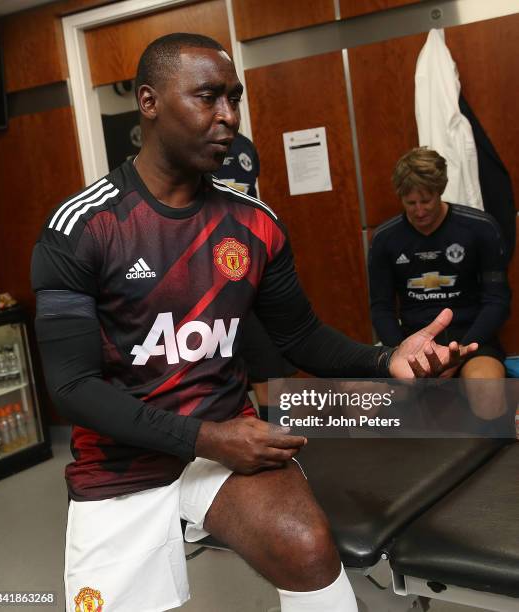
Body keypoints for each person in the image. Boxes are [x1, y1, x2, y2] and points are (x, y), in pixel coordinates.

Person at [31, 35, 476, 612]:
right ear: (148, 102)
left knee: (309, 550)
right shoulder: (84, 227)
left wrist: (383, 359)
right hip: (122, 463)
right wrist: (209, 439)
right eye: (209, 97)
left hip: (223, 442)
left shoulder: (254, 224)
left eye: (235, 99)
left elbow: (299, 335)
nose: (230, 117)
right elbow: (72, 390)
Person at [368, 147, 510, 423]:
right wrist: (404, 353)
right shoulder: (386, 239)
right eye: (410, 203)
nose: (419, 211)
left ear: (440, 191)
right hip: (412, 345)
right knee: (368, 403)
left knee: (488, 392)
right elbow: (381, 308)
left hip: (471, 341)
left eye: (426, 200)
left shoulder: (480, 228)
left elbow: (497, 301)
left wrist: (458, 353)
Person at [213, 132, 298, 419]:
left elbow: (251, 200)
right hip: (216, 284)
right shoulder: (196, 147)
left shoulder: (245, 146)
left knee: (272, 370)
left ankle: (279, 437)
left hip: (254, 272)